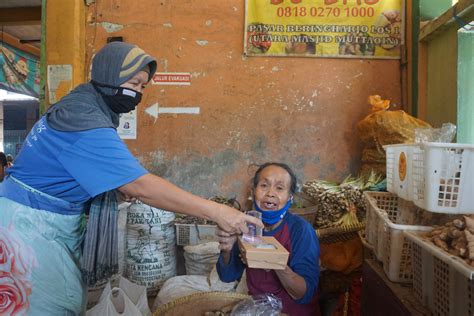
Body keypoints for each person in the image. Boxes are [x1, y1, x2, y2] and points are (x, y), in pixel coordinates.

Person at [0, 41, 261, 315]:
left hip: (37, 221)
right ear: (109, 74)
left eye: (142, 87)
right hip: (28, 229)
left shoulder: (82, 105)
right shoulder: (83, 119)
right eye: (133, 83)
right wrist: (219, 212)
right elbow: (140, 184)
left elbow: (67, 169)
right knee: (48, 305)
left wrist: (110, 189)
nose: (137, 93)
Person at [216, 162, 320, 315]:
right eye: (264, 185)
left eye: (279, 188)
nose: (270, 193)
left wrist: (276, 262)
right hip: (258, 310)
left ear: (290, 198)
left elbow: (303, 295)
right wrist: (227, 250)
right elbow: (227, 276)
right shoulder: (246, 225)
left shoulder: (301, 230)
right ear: (253, 191)